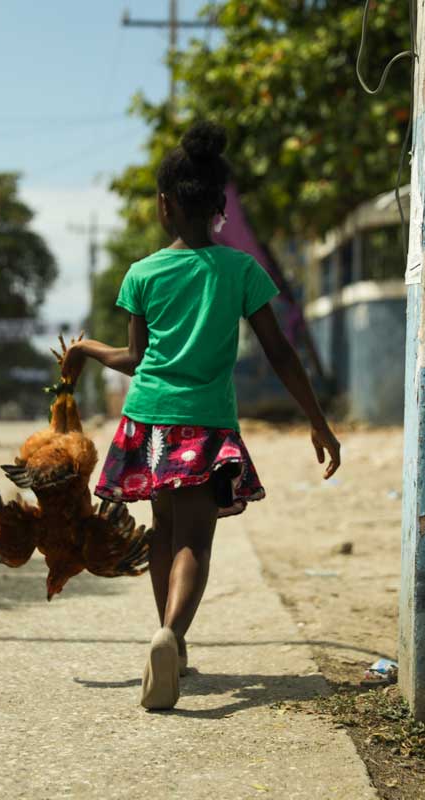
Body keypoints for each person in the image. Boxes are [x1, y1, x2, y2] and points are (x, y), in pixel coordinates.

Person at [58, 120, 340, 711]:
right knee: (196, 542)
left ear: (164, 206)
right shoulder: (240, 271)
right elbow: (280, 352)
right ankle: (173, 635)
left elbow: (134, 358)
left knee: (164, 533)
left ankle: (170, 643)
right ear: (218, 207)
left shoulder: (143, 274)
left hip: (147, 422)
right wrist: (317, 419)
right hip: (206, 426)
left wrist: (85, 350)